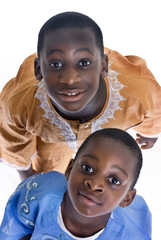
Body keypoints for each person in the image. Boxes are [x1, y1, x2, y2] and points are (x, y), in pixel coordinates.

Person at [0, 12, 161, 181]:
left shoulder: (135, 90)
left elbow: (155, 104)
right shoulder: (21, 103)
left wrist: (151, 132)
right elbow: (11, 136)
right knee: (49, 172)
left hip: (109, 130)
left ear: (104, 66)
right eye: (55, 64)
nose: (70, 79)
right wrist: (26, 173)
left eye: (84, 63)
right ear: (39, 70)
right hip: (52, 138)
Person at [0, 128, 151, 239]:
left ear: (127, 198)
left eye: (114, 180)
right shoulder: (35, 195)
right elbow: (12, 232)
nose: (94, 184)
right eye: (87, 168)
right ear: (69, 169)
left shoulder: (132, 235)